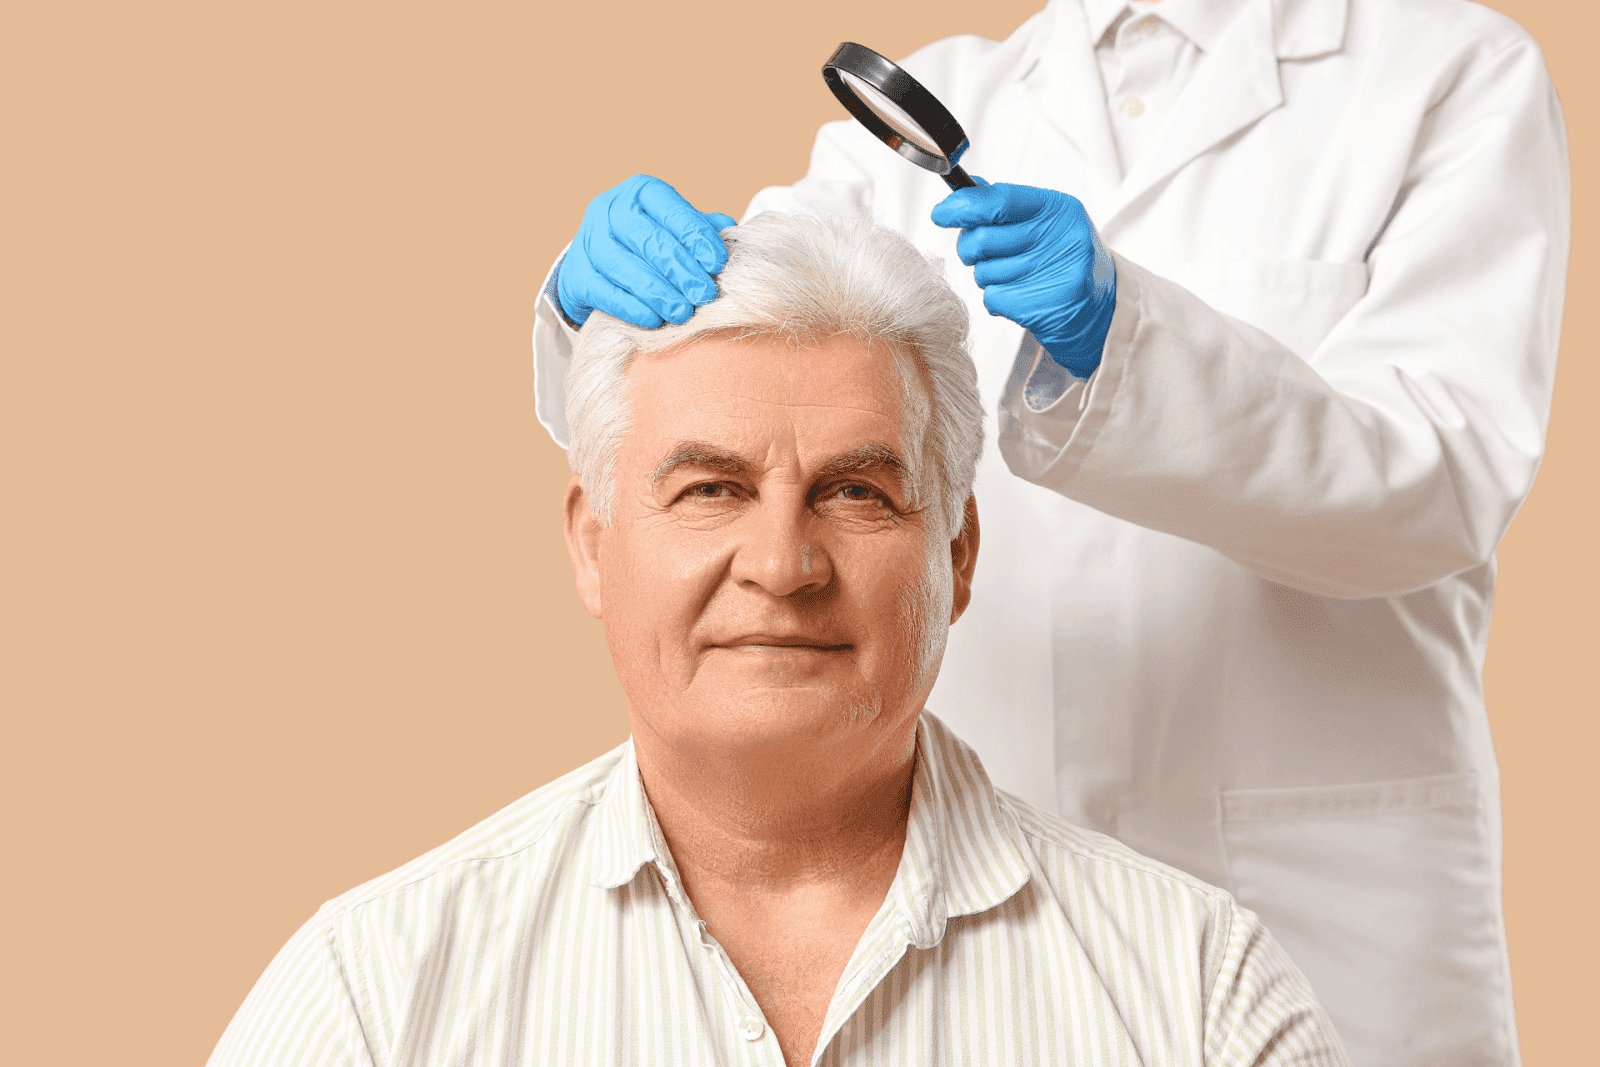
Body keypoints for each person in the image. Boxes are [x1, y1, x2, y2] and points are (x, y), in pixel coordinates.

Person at [528, 1, 1570, 1063]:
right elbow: (718, 394)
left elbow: (1442, 479)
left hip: (1326, 910)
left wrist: (1125, 341)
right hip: (979, 897)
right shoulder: (929, 116)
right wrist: (585, 309)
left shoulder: (1450, 78)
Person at [210, 213, 1348, 1066]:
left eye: (855, 492)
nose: (781, 563)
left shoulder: (1199, 991)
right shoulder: (374, 989)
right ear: (591, 542)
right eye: (709, 487)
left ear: (956, 554)